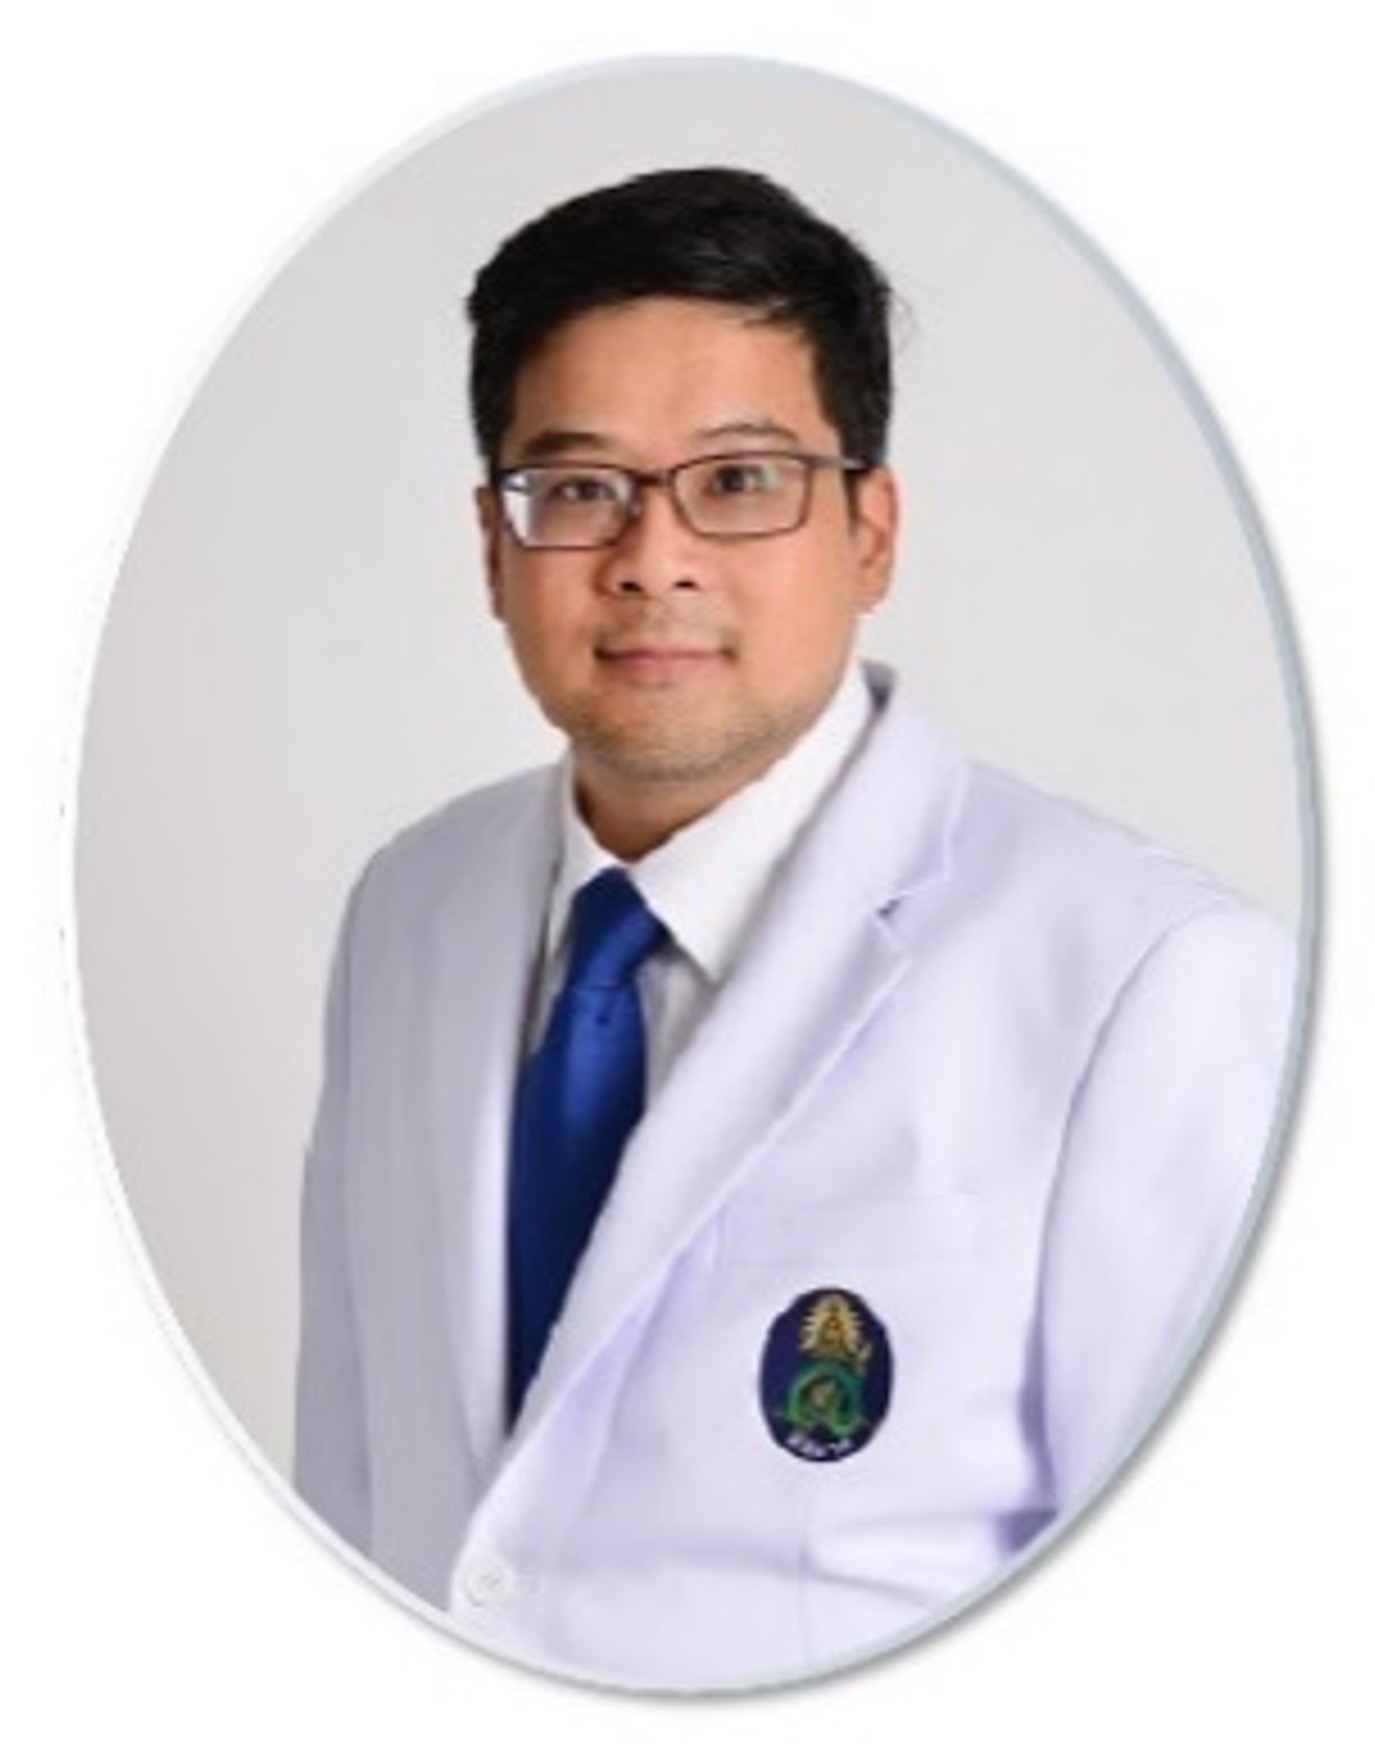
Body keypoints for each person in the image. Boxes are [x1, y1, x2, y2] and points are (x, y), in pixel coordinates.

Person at [293, 167, 1296, 1689]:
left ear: (871, 531)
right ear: (493, 547)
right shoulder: (406, 913)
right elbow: (355, 1486)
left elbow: (1211, 1630)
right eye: (579, 489)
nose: (653, 557)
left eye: (741, 479)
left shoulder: (1149, 977)